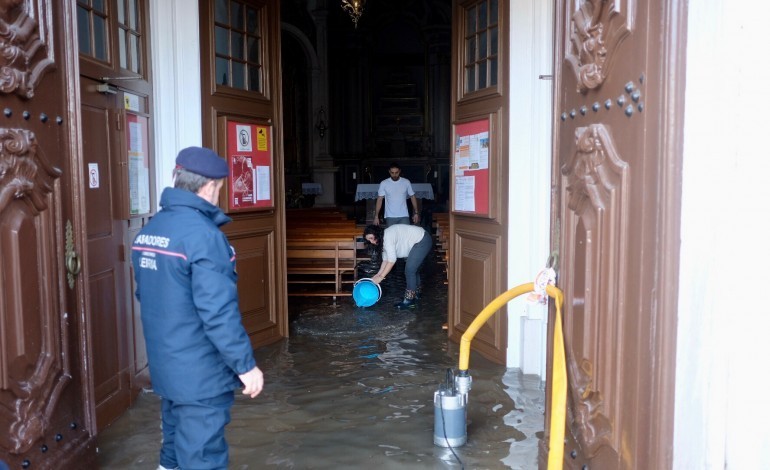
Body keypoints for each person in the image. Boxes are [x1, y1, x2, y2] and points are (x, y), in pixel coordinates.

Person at [131, 146, 264, 470]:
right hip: (200, 371)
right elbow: (217, 312)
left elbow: (146, 295)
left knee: (174, 447)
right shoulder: (204, 237)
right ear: (209, 187)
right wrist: (246, 365)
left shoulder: (150, 230)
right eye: (219, 188)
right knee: (203, 456)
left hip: (166, 365)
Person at [363, 223, 433, 309]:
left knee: (410, 270)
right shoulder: (382, 240)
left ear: (376, 233)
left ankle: (409, 300)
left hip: (422, 240)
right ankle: (417, 294)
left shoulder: (387, 237)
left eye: (371, 238)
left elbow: (392, 260)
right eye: (369, 240)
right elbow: (385, 259)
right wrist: (378, 274)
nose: (371, 242)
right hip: (420, 240)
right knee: (413, 269)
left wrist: (381, 277)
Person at [374, 162, 420, 226]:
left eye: (396, 172)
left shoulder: (406, 182)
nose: (394, 175)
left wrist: (416, 213)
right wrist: (376, 217)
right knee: (391, 235)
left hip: (404, 215)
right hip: (390, 216)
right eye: (392, 173)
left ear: (400, 171)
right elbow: (379, 200)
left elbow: (412, 196)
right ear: (389, 172)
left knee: (405, 235)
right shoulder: (384, 183)